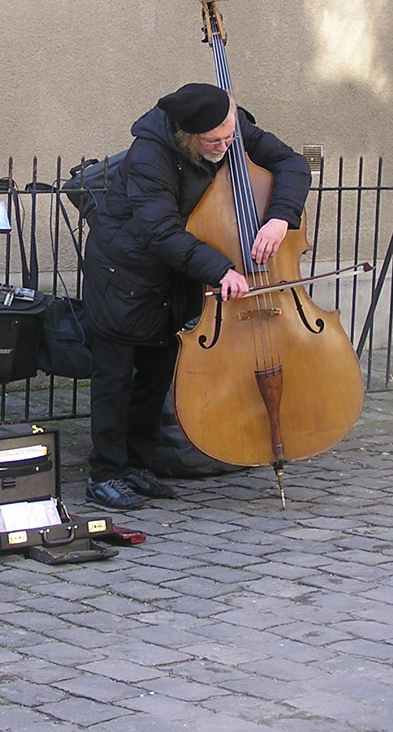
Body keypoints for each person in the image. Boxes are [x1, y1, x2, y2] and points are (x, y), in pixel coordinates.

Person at [80, 82, 312, 510]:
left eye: (229, 136)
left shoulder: (230, 126)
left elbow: (292, 163)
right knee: (115, 378)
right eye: (214, 142)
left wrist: (281, 217)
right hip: (125, 272)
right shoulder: (149, 155)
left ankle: (137, 465)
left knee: (156, 375)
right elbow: (160, 231)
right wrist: (221, 270)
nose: (226, 147)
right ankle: (105, 473)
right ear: (188, 137)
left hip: (176, 273)